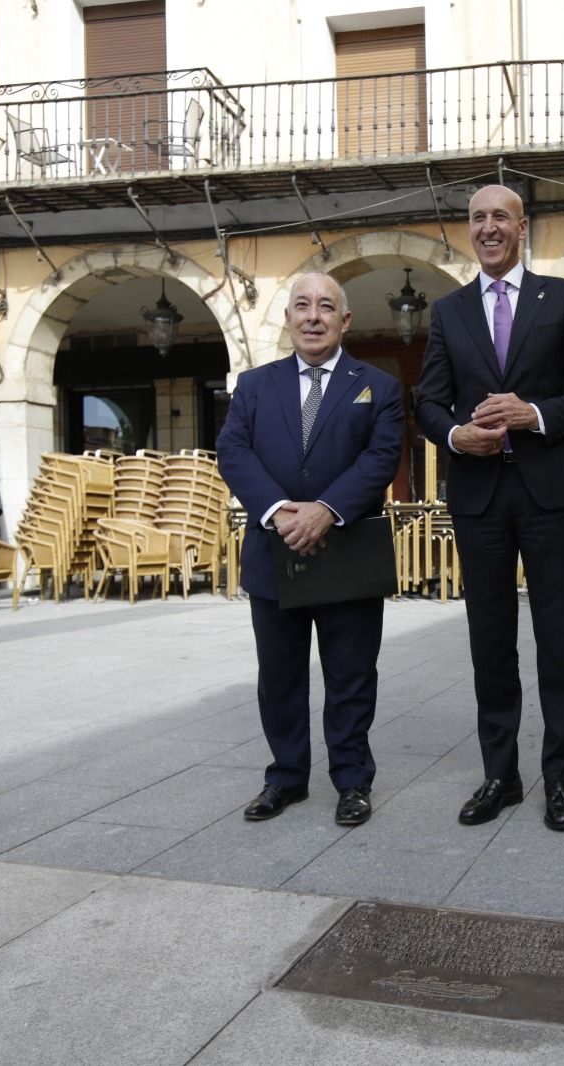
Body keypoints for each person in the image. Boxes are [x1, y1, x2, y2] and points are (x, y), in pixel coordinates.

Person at [415, 183, 564, 832]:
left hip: (552, 496)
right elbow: (428, 403)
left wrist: (536, 414)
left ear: (524, 226)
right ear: (466, 230)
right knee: (489, 643)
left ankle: (560, 780)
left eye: (501, 215)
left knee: (558, 643)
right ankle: (500, 775)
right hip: (479, 498)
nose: (489, 227)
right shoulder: (449, 310)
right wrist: (453, 436)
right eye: (477, 218)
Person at [217, 272, 404, 827]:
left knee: (350, 675)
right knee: (279, 676)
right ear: (288, 318)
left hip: (346, 551)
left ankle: (352, 781)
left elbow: (381, 456)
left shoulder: (379, 385)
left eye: (326, 307)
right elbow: (233, 452)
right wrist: (278, 512)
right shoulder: (253, 386)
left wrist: (325, 510)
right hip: (274, 553)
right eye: (302, 305)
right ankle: (287, 778)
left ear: (345, 321)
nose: (313, 316)